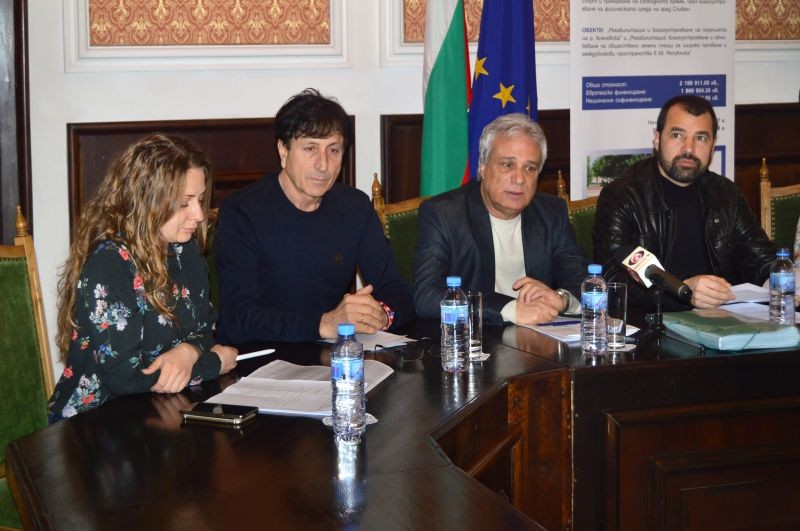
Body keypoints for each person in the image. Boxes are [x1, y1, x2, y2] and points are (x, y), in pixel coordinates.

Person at [48, 134, 238, 422]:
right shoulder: (110, 263)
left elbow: (205, 326)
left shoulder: (185, 250)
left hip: (158, 412)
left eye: (200, 200)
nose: (199, 215)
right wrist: (212, 363)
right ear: (148, 201)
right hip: (94, 421)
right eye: (184, 203)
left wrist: (187, 351)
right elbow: (125, 378)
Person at [214, 88, 414, 345]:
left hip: (331, 354)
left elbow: (398, 293)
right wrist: (323, 324)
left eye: (334, 150)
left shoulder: (354, 207)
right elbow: (237, 317)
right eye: (310, 148)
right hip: (262, 357)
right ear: (283, 151)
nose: (323, 165)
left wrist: (381, 315)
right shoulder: (242, 212)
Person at [594, 95, 777, 310]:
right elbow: (613, 279)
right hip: (652, 322)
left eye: (701, 138)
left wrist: (782, 281)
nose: (688, 148)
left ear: (713, 146)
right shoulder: (622, 195)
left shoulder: (725, 193)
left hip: (724, 319)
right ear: (657, 139)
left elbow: (761, 257)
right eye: (677, 135)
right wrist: (682, 291)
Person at [413, 113, 589, 326]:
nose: (519, 179)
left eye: (530, 168)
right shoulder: (444, 215)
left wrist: (562, 299)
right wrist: (509, 309)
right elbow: (426, 296)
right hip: (476, 337)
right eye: (507, 165)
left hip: (540, 337)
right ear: (483, 167)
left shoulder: (551, 212)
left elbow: (584, 279)